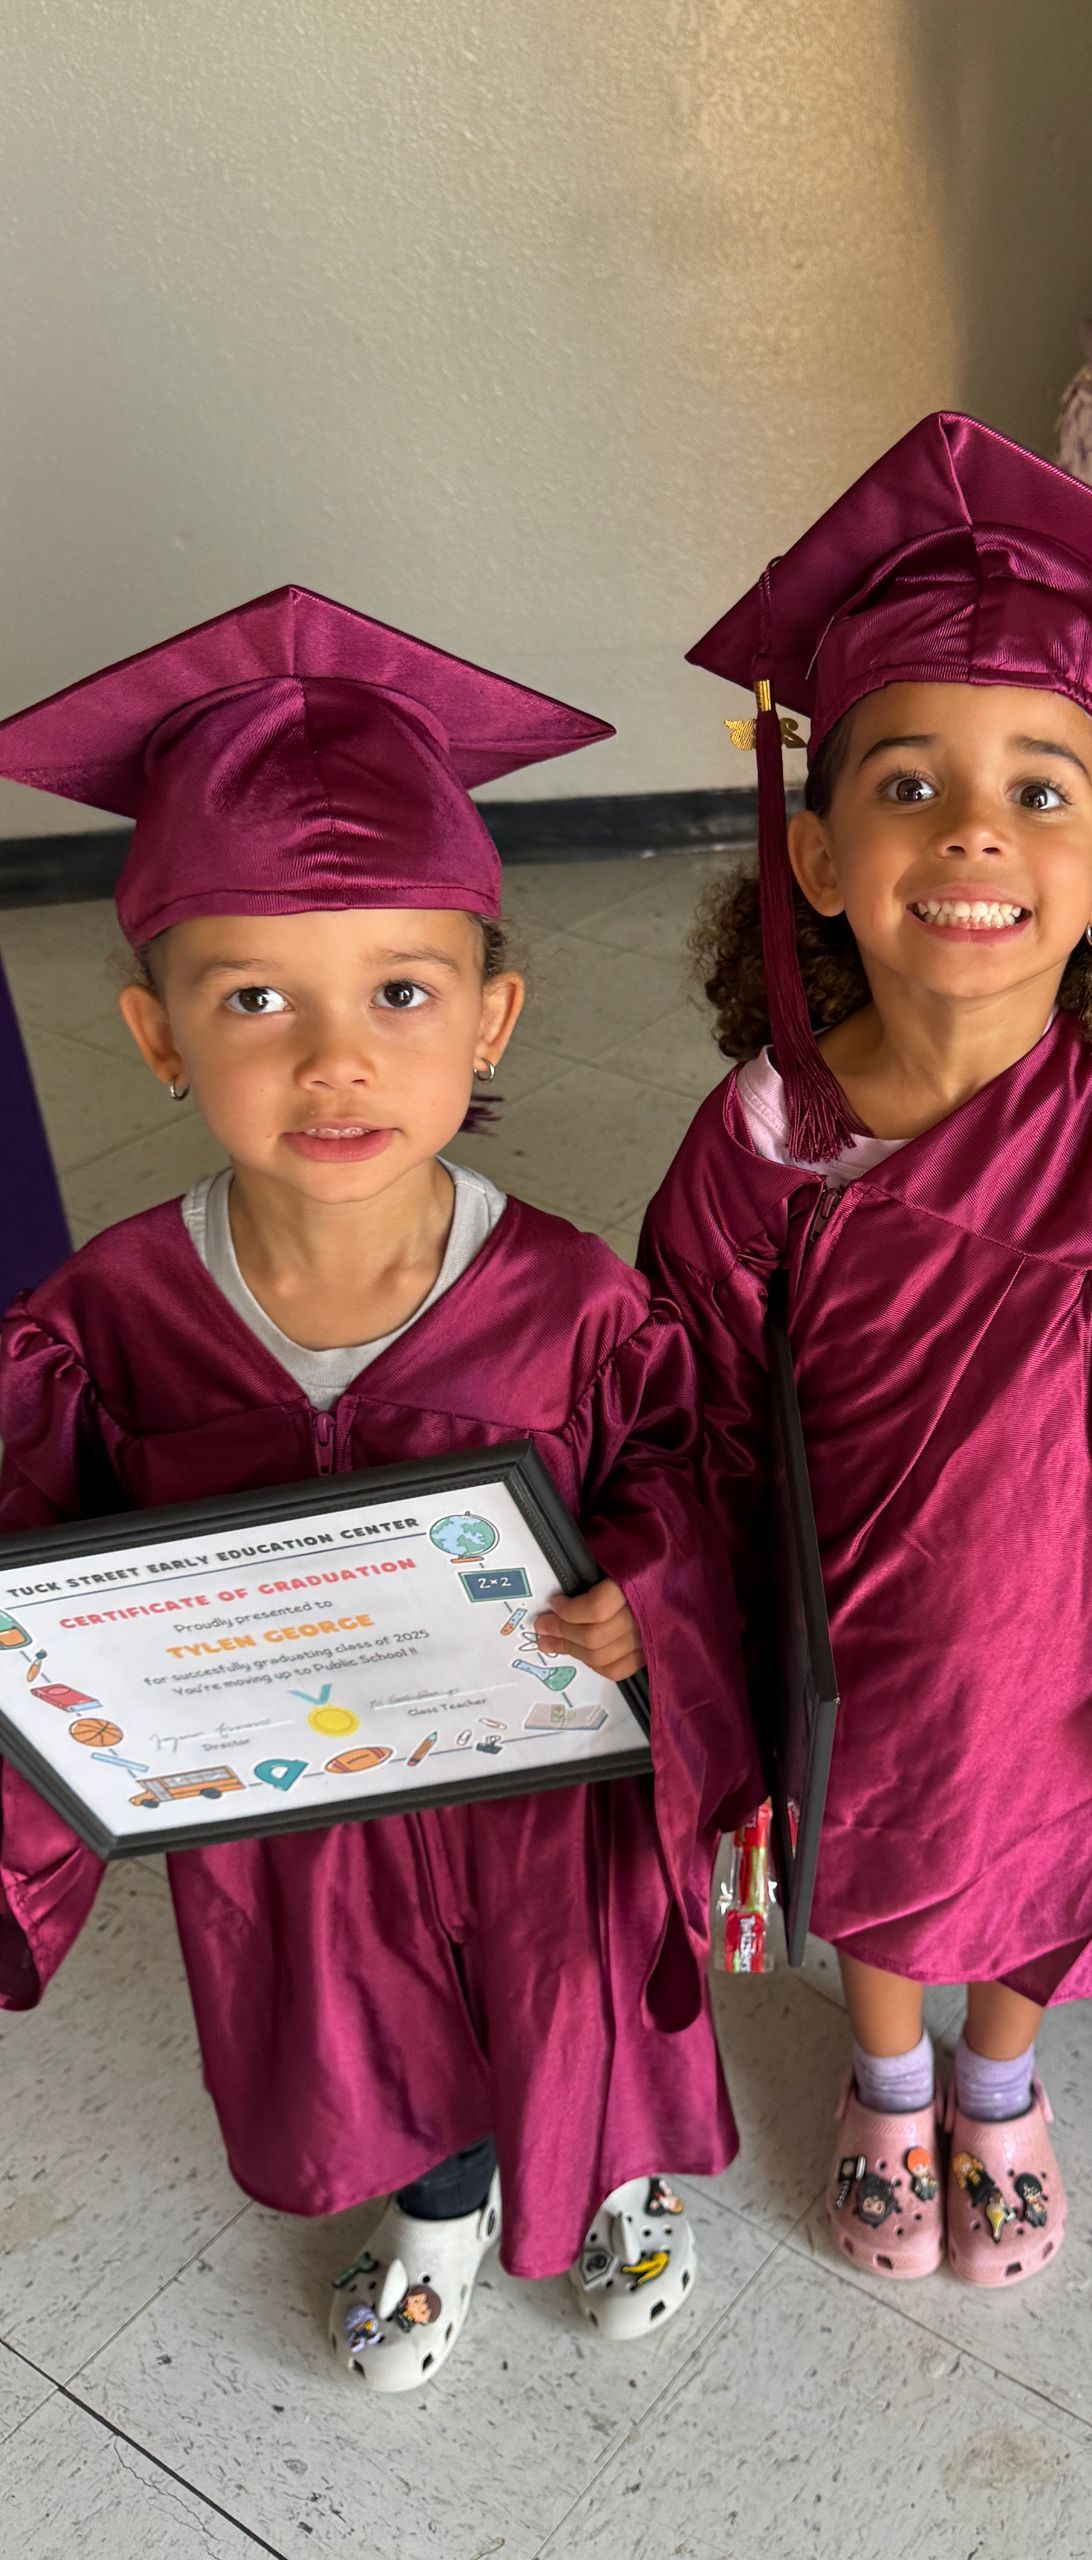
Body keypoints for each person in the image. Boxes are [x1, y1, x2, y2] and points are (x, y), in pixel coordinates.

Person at [0, 588, 744, 2390]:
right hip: (290, 1809)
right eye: (253, 996)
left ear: (492, 1019)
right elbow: (31, 1589)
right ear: (156, 1032)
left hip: (541, 1793)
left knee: (573, 2002)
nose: (332, 1057)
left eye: (398, 992)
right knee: (358, 2027)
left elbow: (689, 1482)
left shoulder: (572, 1292)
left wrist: (644, 1590)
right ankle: (441, 2200)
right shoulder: (104, 1318)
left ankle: (618, 2177)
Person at [640, 413, 1092, 2286]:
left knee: (1029, 1899)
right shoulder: (761, 1144)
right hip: (849, 1644)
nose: (973, 834)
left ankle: (999, 2093)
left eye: (1039, 792)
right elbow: (682, 1422)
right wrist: (675, 1616)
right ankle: (884, 2077)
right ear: (819, 853)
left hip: (1075, 1662)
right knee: (870, 1869)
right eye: (911, 785)